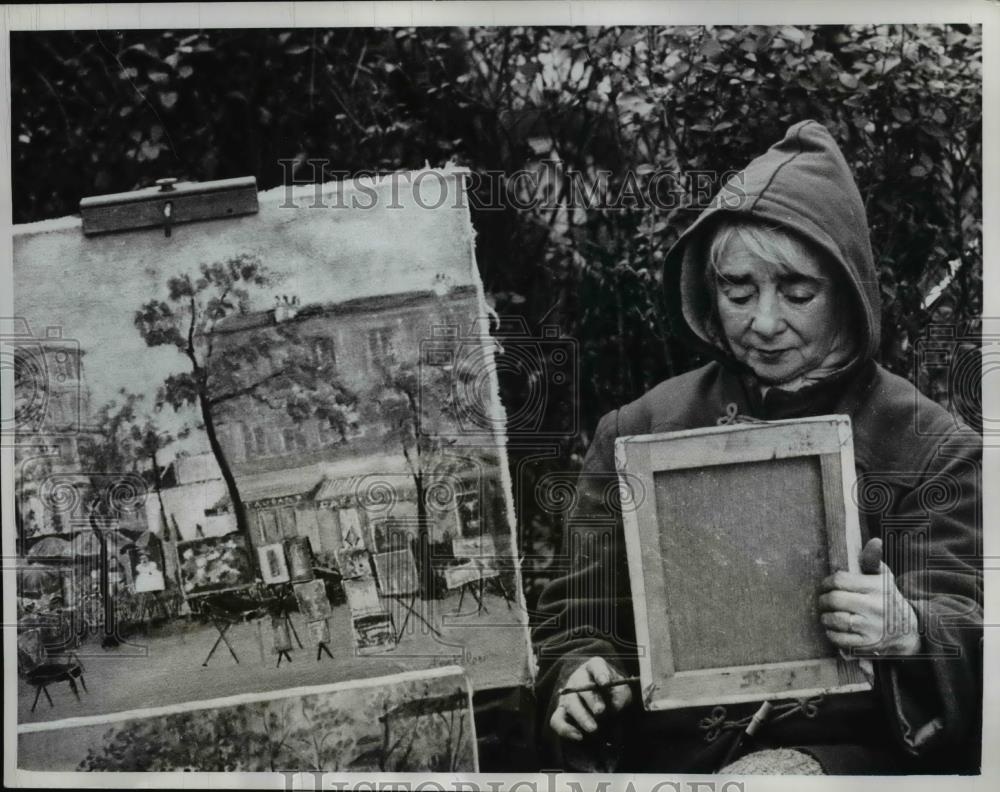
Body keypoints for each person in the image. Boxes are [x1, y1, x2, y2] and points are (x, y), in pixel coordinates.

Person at [532, 120, 982, 774]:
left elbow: (974, 633)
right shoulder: (637, 431)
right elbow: (573, 624)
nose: (764, 322)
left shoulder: (933, 449)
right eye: (738, 292)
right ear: (707, 294)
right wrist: (579, 677)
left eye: (798, 293)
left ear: (849, 292)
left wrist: (910, 629)